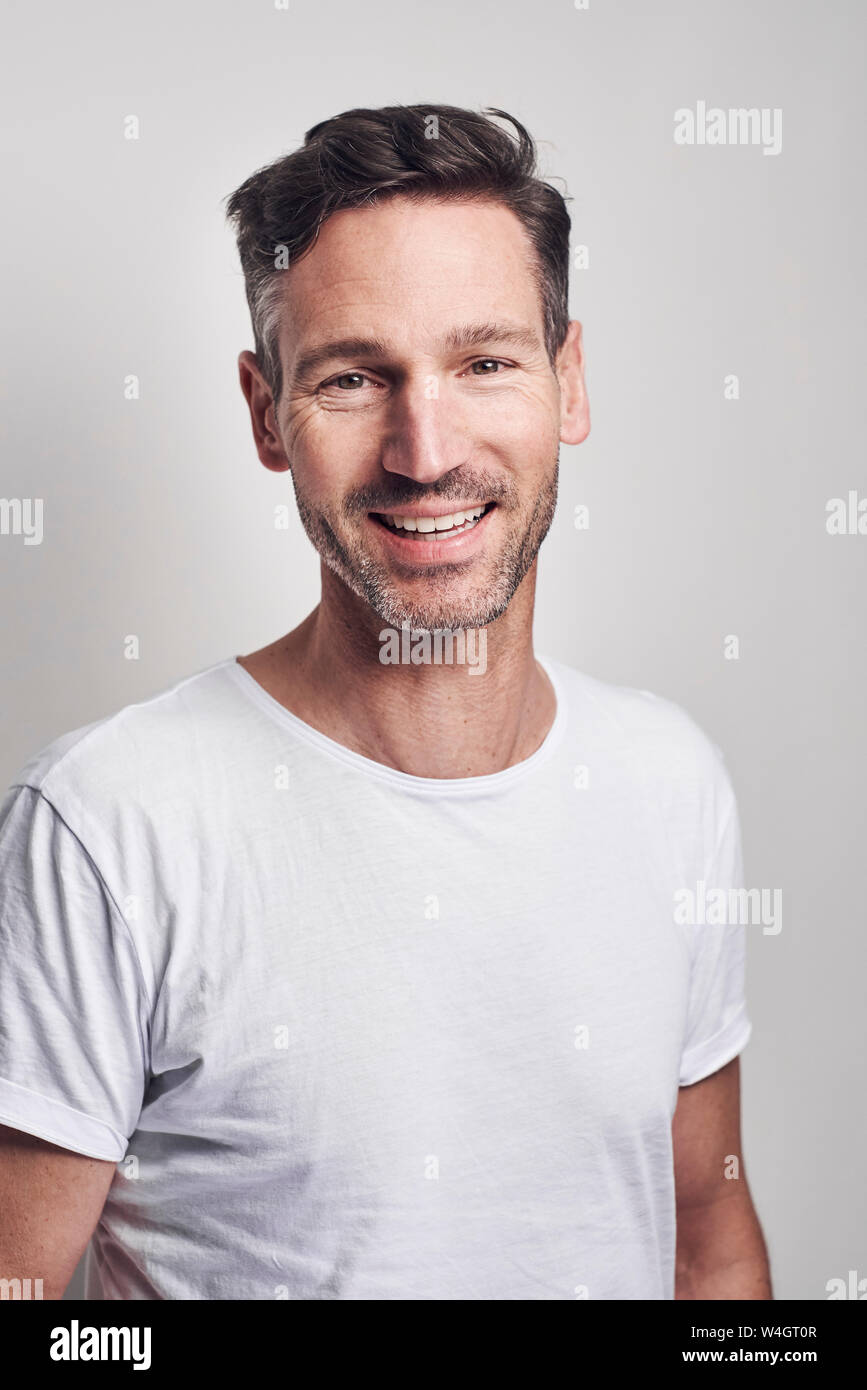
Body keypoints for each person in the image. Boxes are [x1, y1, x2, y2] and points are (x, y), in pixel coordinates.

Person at [0, 104, 771, 1300]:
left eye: (485, 362)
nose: (425, 449)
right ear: (268, 415)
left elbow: (707, 1237)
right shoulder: (105, 826)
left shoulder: (673, 783)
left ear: (568, 383)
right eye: (355, 377)